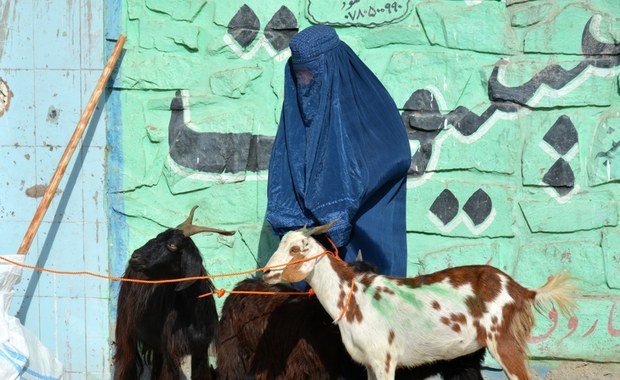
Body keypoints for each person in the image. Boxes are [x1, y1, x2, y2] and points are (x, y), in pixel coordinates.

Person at [266, 25, 411, 277]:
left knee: (373, 298)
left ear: (332, 68)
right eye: (299, 75)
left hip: (370, 218)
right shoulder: (298, 113)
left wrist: (342, 200)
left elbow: (395, 155)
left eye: (311, 73)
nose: (306, 82)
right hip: (315, 238)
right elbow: (286, 171)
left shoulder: (370, 106)